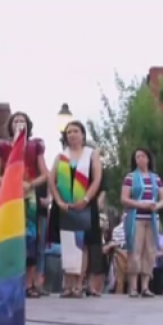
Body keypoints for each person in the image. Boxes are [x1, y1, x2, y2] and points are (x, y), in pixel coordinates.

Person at [0, 112, 48, 298]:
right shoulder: (3, 147)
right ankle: (9, 283)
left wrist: (30, 184)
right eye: (16, 120)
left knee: (30, 240)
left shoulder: (35, 147)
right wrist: (10, 182)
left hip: (29, 196)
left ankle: (29, 284)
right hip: (9, 196)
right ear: (10, 125)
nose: (19, 123)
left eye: (22, 120)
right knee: (8, 238)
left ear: (28, 125)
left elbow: (45, 174)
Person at [47, 121, 102, 298]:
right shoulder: (61, 156)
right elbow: (52, 180)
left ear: (83, 135)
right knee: (68, 243)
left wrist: (86, 199)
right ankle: (68, 283)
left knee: (82, 244)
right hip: (65, 205)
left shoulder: (91, 154)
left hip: (85, 204)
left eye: (75, 131)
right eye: (69, 132)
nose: (72, 134)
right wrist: (58, 200)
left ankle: (79, 283)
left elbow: (97, 179)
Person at [121, 147, 163, 298]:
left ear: (148, 159)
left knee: (150, 252)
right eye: (137, 157)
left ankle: (146, 286)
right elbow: (124, 198)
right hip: (136, 218)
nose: (139, 159)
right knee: (135, 251)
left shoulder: (156, 178)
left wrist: (157, 206)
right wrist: (141, 205)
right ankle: (134, 287)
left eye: (142, 156)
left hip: (152, 219)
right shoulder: (130, 177)